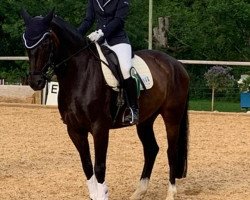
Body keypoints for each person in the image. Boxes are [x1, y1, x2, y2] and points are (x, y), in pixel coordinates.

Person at [78, 0, 139, 125]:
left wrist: (102, 32)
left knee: (126, 69)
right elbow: (88, 20)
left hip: (118, 41)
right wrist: (76, 35)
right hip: (99, 41)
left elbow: (119, 20)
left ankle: (133, 109)